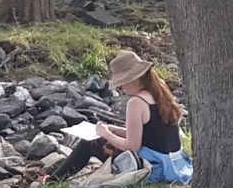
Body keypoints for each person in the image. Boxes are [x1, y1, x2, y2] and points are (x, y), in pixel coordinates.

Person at [52, 50, 186, 179]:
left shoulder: (136, 102)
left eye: (122, 83)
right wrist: (118, 131)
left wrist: (105, 134)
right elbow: (155, 134)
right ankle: (52, 180)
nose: (122, 88)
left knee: (90, 142)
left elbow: (132, 147)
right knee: (104, 137)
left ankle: (51, 182)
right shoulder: (160, 91)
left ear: (133, 79)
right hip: (172, 164)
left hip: (153, 168)